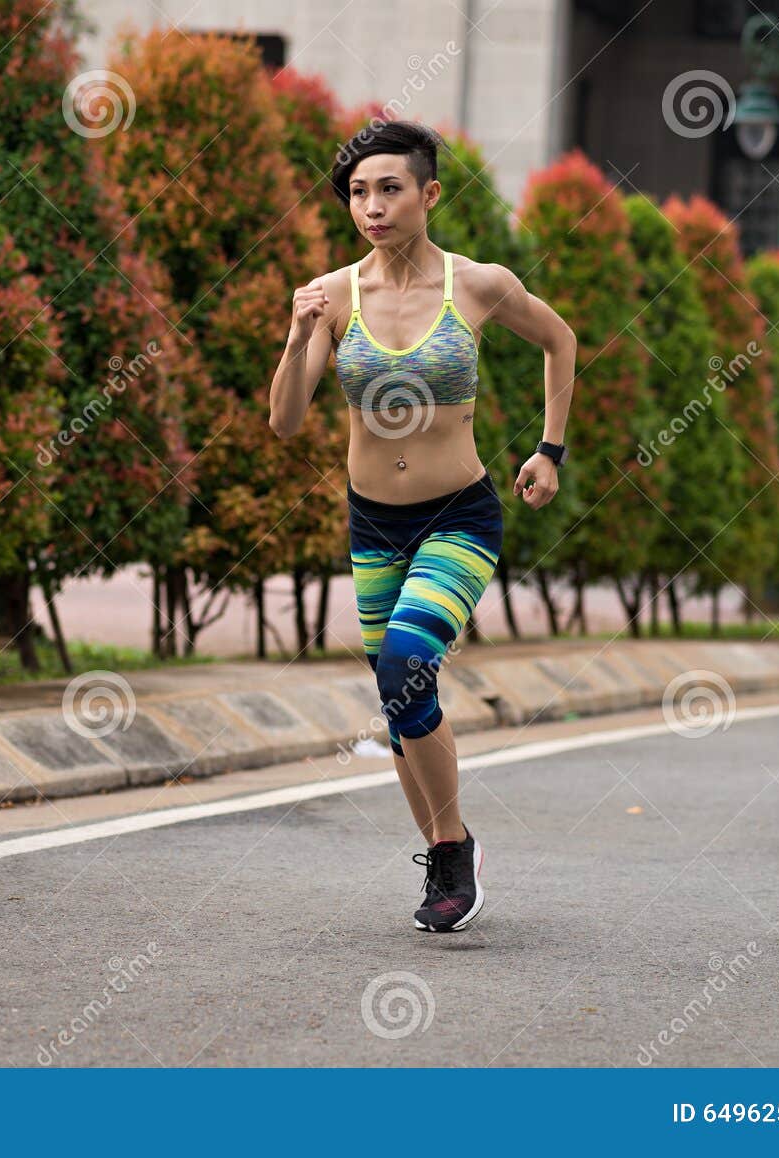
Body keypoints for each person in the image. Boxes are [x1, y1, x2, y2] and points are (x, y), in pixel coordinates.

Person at [268, 120, 576, 932]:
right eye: (358, 193)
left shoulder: (477, 285)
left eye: (389, 188)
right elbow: (286, 422)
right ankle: (449, 850)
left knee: (406, 660)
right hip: (372, 521)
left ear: (429, 194)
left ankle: (449, 851)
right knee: (399, 694)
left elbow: (560, 339)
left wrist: (550, 450)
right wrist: (301, 335)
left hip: (460, 515)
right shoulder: (331, 297)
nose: (371, 206)